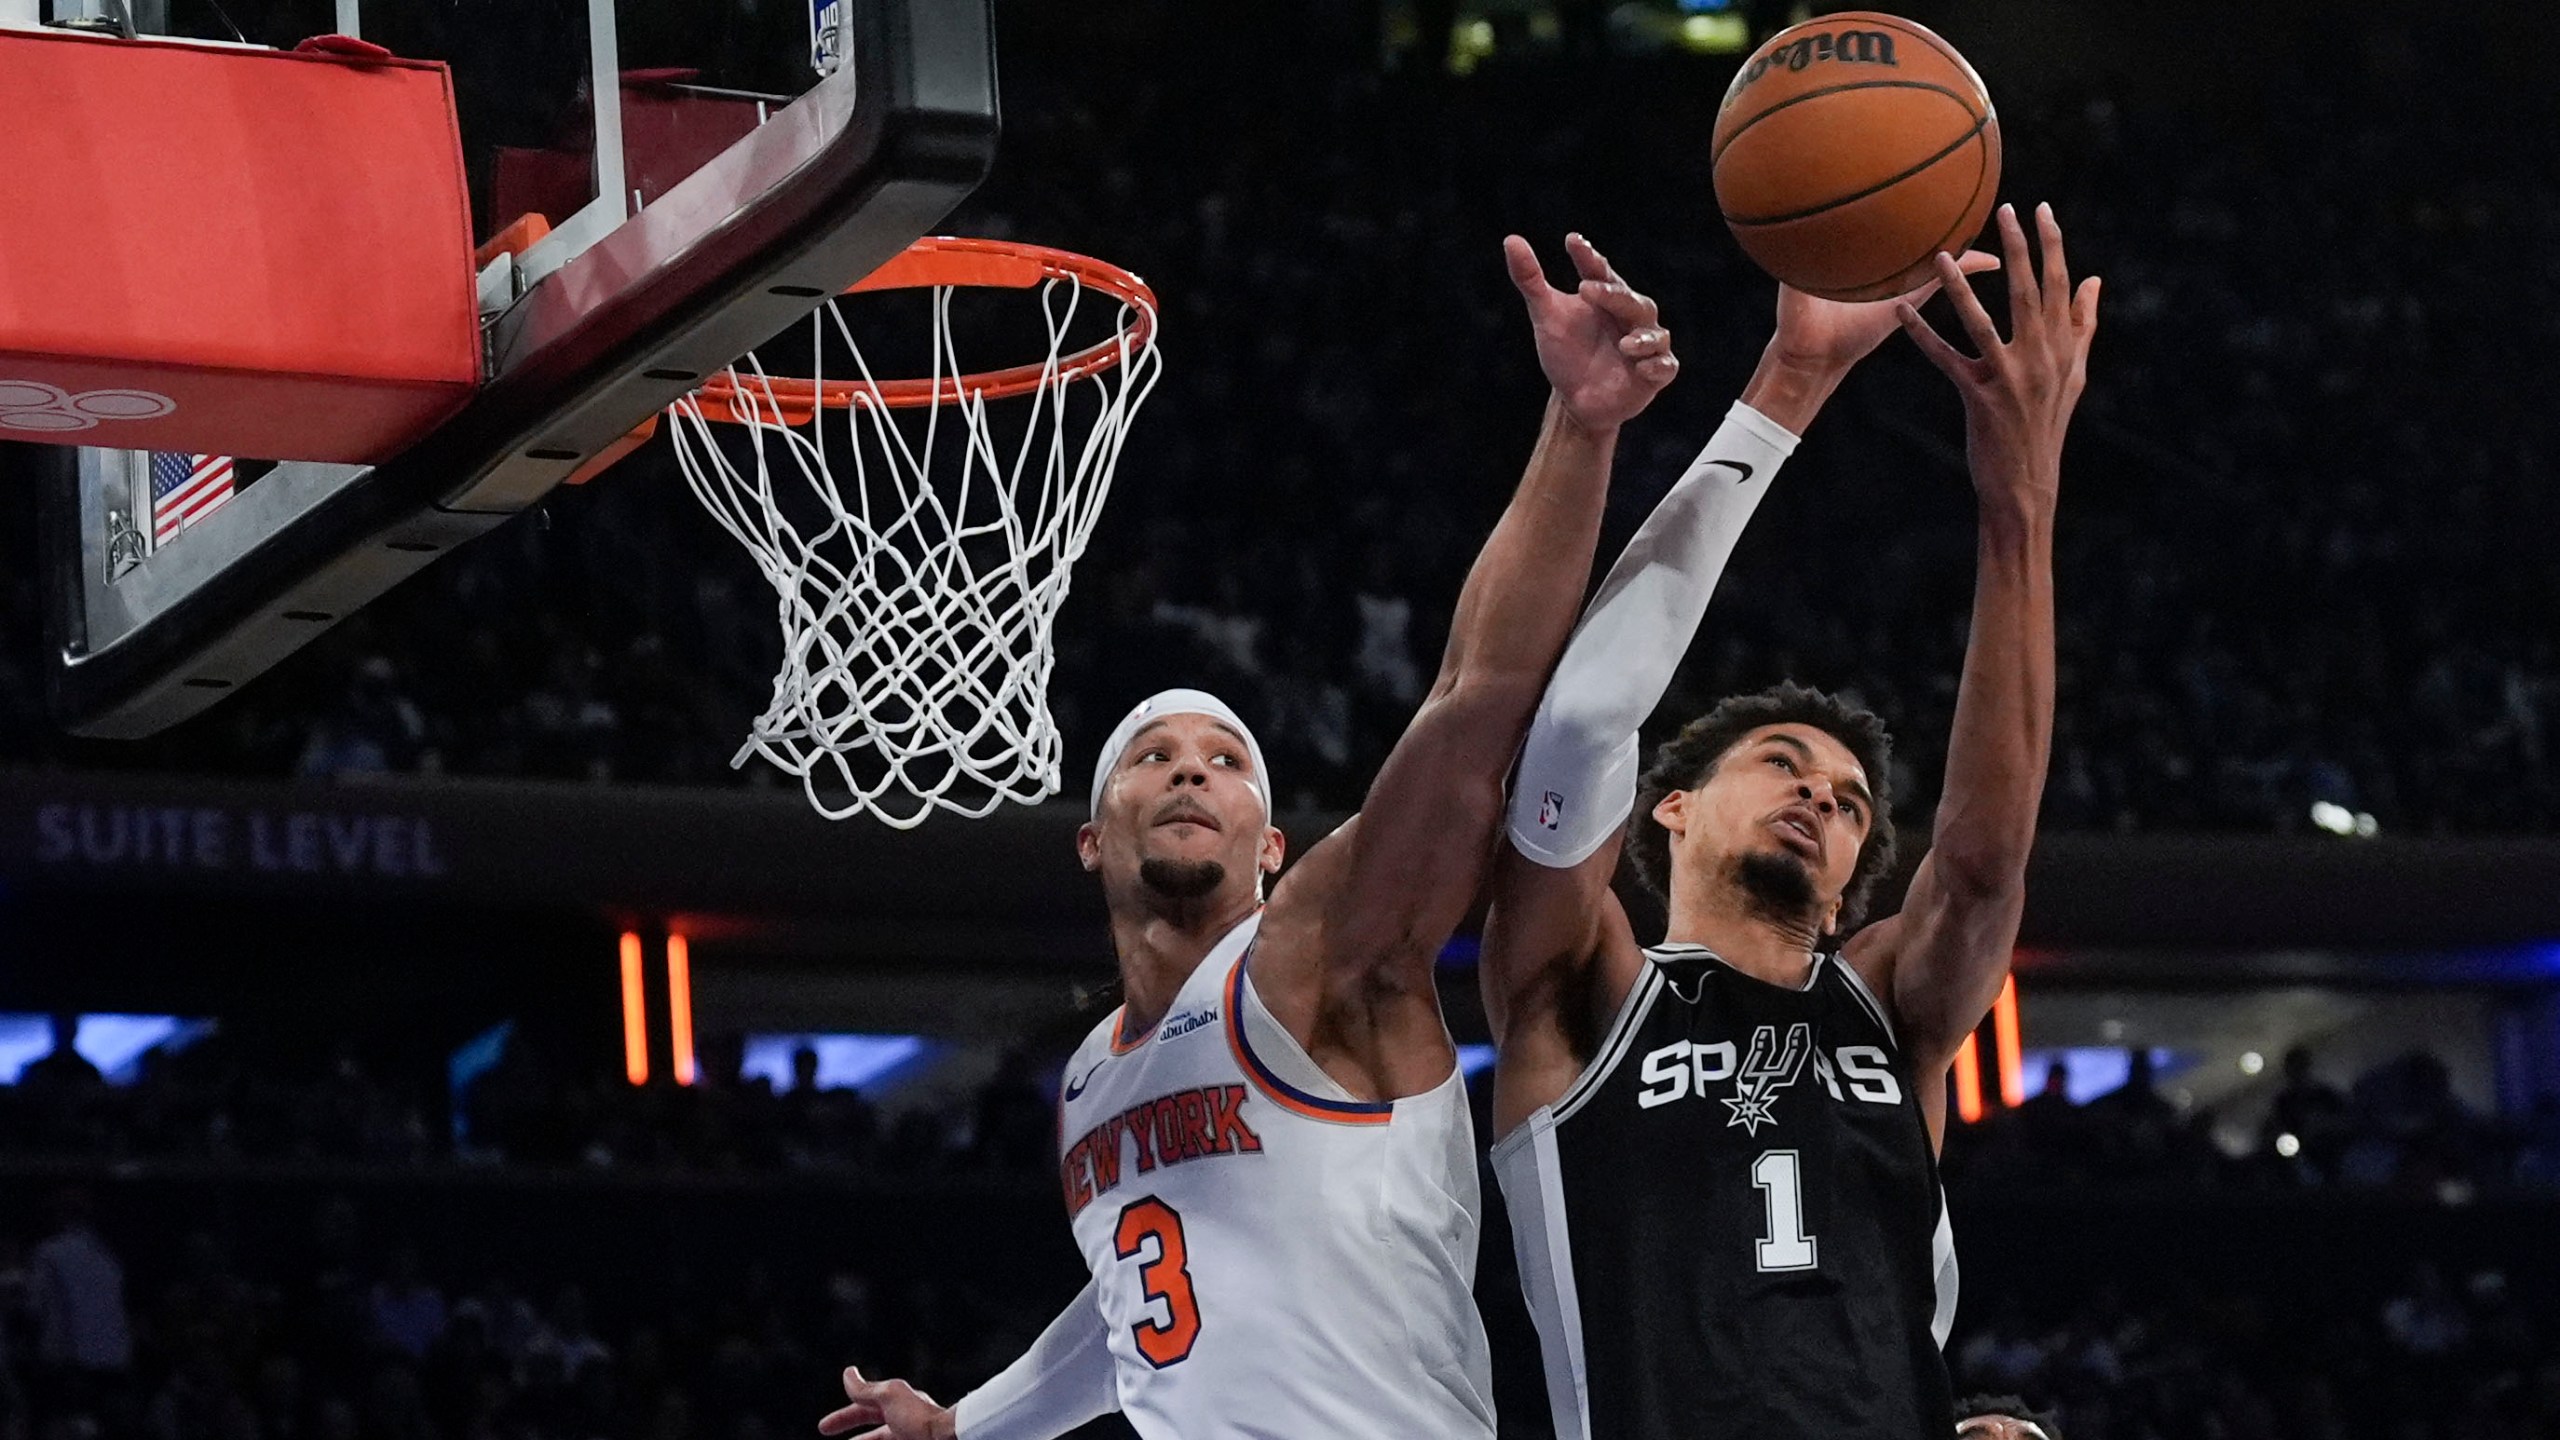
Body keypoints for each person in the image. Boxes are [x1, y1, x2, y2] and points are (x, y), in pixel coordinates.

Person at [819, 231, 1682, 1440]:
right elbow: (1131, 1301)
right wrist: (966, 1426)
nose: (1188, 770)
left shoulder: (1317, 951)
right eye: (1151, 756)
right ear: (1089, 839)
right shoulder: (1085, 1081)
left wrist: (1581, 427)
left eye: (1226, 762)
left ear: (1272, 847)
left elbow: (1476, 696)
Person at [1479, 204, 2097, 1440]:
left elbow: (1981, 867)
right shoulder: (1580, 986)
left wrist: (2017, 502)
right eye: (1781, 762)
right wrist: (1794, 377)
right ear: (1673, 807)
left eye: (1853, 801)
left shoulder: (1892, 1015)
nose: (1821, 793)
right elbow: (1586, 716)